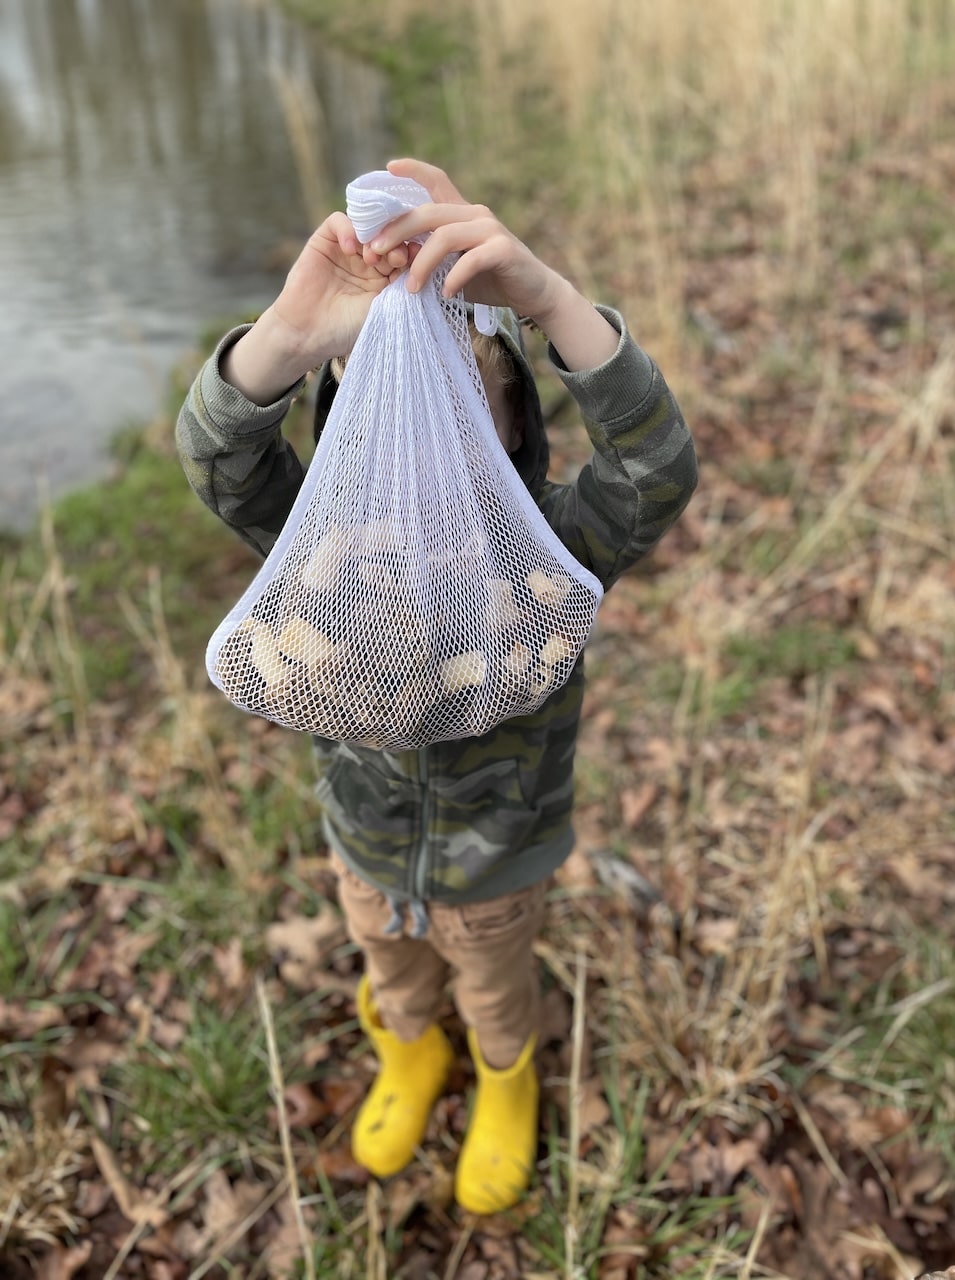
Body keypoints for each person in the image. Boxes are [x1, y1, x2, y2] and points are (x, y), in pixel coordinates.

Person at [176, 158, 698, 1215]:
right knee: (393, 968)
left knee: (496, 991)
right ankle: (408, 1051)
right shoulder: (319, 544)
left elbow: (656, 469)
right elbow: (219, 461)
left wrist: (548, 303)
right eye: (386, 416)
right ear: (343, 436)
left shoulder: (549, 548)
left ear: (514, 429)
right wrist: (292, 334)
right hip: (364, 845)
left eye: (464, 413)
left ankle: (506, 1080)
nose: (424, 452)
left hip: (501, 860)